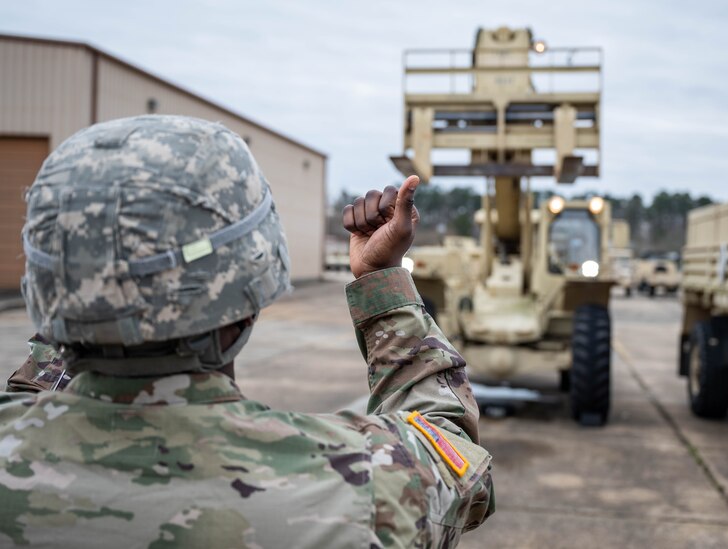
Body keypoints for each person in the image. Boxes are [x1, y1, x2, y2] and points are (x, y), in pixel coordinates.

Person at [0, 115, 494, 547]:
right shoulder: (361, 485)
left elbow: (28, 399)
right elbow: (449, 444)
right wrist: (382, 282)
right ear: (251, 287)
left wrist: (93, 294)